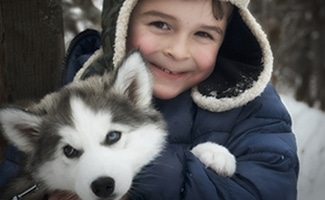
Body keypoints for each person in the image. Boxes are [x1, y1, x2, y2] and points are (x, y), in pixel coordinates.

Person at [1, 0, 299, 199]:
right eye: (160, 24)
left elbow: (270, 188)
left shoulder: (251, 106)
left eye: (204, 34)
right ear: (121, 22)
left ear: (226, 39)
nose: (178, 51)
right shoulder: (69, 86)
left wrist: (171, 173)